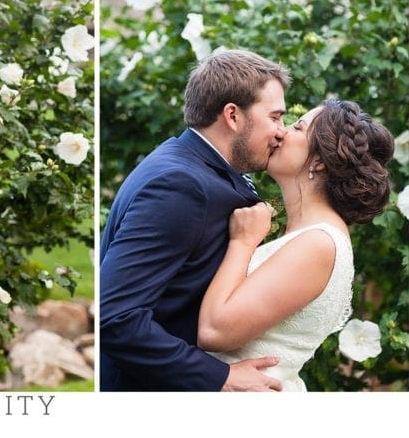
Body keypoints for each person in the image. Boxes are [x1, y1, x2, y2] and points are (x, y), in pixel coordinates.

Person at [99, 49, 290, 391]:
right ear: (232, 115)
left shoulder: (191, 166)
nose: (282, 132)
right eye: (275, 117)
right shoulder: (180, 185)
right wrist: (222, 377)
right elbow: (116, 317)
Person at [198, 99, 393, 391]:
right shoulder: (309, 236)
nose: (280, 133)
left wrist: (243, 242)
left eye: (297, 127)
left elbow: (214, 331)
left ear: (319, 161)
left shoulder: (318, 244)